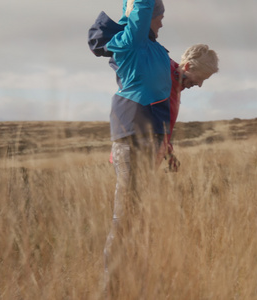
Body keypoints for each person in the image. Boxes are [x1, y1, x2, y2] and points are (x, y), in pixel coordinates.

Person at [102, 0, 170, 296]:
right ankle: (110, 287)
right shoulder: (133, 43)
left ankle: (132, 282)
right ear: (148, 17)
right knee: (126, 214)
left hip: (150, 135)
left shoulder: (154, 49)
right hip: (132, 135)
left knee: (139, 214)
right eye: (160, 16)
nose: (162, 22)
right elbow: (137, 11)